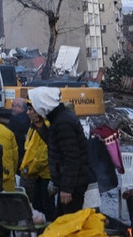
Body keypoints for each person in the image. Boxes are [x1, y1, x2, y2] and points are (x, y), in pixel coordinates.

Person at [28, 87, 90, 217]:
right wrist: (40, 125)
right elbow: (55, 145)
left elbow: (71, 157)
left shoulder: (63, 122)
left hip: (73, 185)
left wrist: (67, 189)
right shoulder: (59, 119)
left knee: (68, 224)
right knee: (61, 221)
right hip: (70, 182)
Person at [19, 102, 55, 222]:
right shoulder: (33, 127)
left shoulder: (45, 127)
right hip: (38, 174)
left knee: (47, 208)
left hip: (46, 175)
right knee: (38, 206)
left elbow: (43, 156)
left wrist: (28, 169)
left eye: (30, 109)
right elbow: (30, 149)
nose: (27, 112)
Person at [8, 97, 30, 173]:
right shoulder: (20, 117)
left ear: (21, 107)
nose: (12, 108)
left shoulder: (19, 121)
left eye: (13, 106)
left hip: (20, 151)